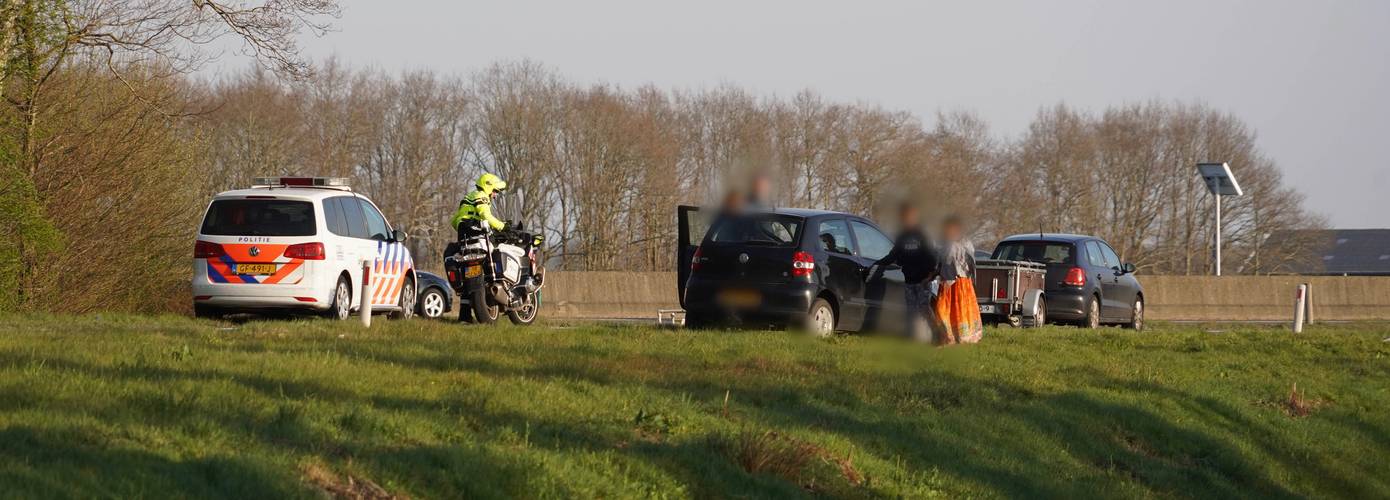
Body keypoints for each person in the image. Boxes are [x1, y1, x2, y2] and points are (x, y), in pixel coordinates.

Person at [866, 202, 941, 342]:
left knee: (925, 309)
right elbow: (893, 255)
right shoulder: (902, 237)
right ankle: (913, 337)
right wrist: (877, 264)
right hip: (909, 279)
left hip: (923, 279)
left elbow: (933, 256)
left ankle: (937, 335)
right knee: (911, 311)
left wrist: (931, 274)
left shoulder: (922, 234)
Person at [934, 215, 983, 344]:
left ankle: (962, 338)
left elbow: (971, 265)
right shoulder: (944, 244)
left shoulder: (965, 244)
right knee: (942, 311)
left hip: (961, 283)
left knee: (961, 311)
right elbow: (940, 263)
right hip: (946, 284)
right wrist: (933, 275)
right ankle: (947, 337)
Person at [451, 172, 508, 239]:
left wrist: (461, 228)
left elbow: (454, 220)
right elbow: (485, 215)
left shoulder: (471, 195)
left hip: (463, 227)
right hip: (472, 225)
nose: (495, 195)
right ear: (488, 186)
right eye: (495, 191)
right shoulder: (482, 196)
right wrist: (502, 226)